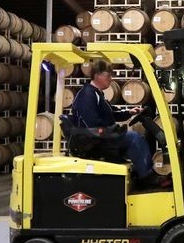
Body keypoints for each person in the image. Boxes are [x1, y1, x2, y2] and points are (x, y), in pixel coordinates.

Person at [71, 60, 168, 189]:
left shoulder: (96, 93)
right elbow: (92, 123)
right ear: (97, 75)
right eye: (108, 75)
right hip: (94, 141)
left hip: (100, 136)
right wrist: (112, 130)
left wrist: (129, 112)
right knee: (134, 138)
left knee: (135, 137)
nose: (111, 79)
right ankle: (146, 177)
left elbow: (111, 113)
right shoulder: (87, 95)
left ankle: (140, 173)